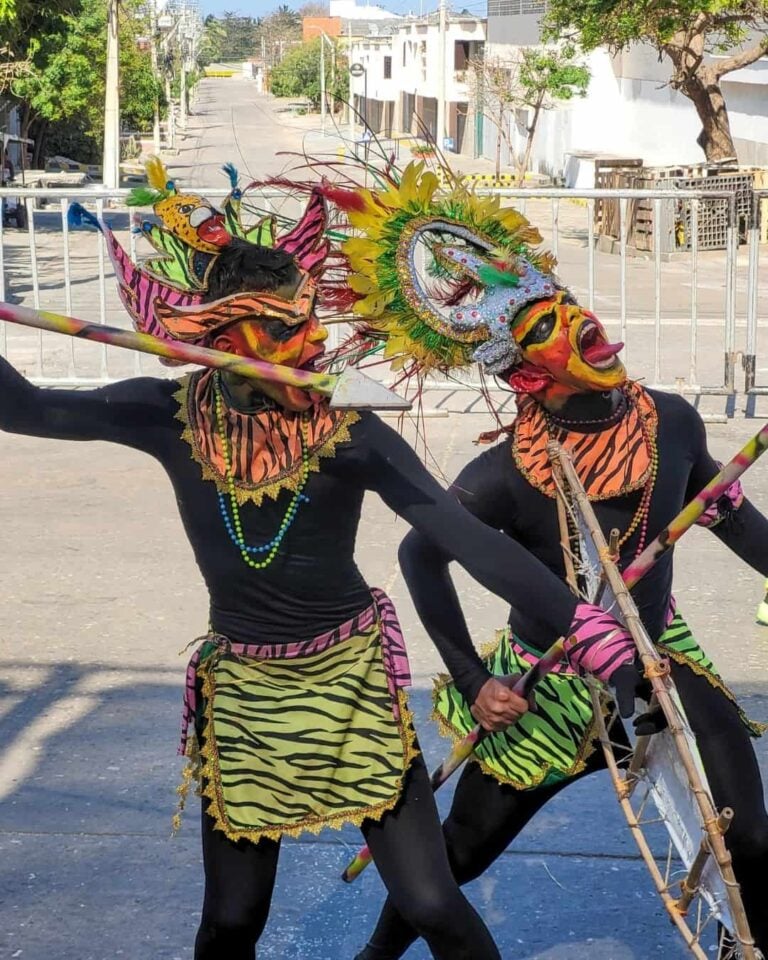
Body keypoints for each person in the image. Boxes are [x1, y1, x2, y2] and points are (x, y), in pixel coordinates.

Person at [0, 163, 635, 960]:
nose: (312, 345)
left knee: (432, 902)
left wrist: (581, 622)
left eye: (312, 325)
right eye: (284, 331)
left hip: (351, 689)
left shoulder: (351, 430)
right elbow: (23, 407)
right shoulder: (164, 414)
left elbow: (459, 534)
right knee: (231, 923)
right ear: (221, 341)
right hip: (246, 699)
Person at [335, 163, 768, 960]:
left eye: (569, 308)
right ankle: (372, 958)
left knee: (750, 839)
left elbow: (730, 519)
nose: (578, 324)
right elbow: (418, 556)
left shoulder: (670, 422)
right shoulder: (506, 475)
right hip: (549, 684)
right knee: (456, 856)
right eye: (544, 327)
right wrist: (474, 680)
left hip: (661, 656)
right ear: (529, 372)